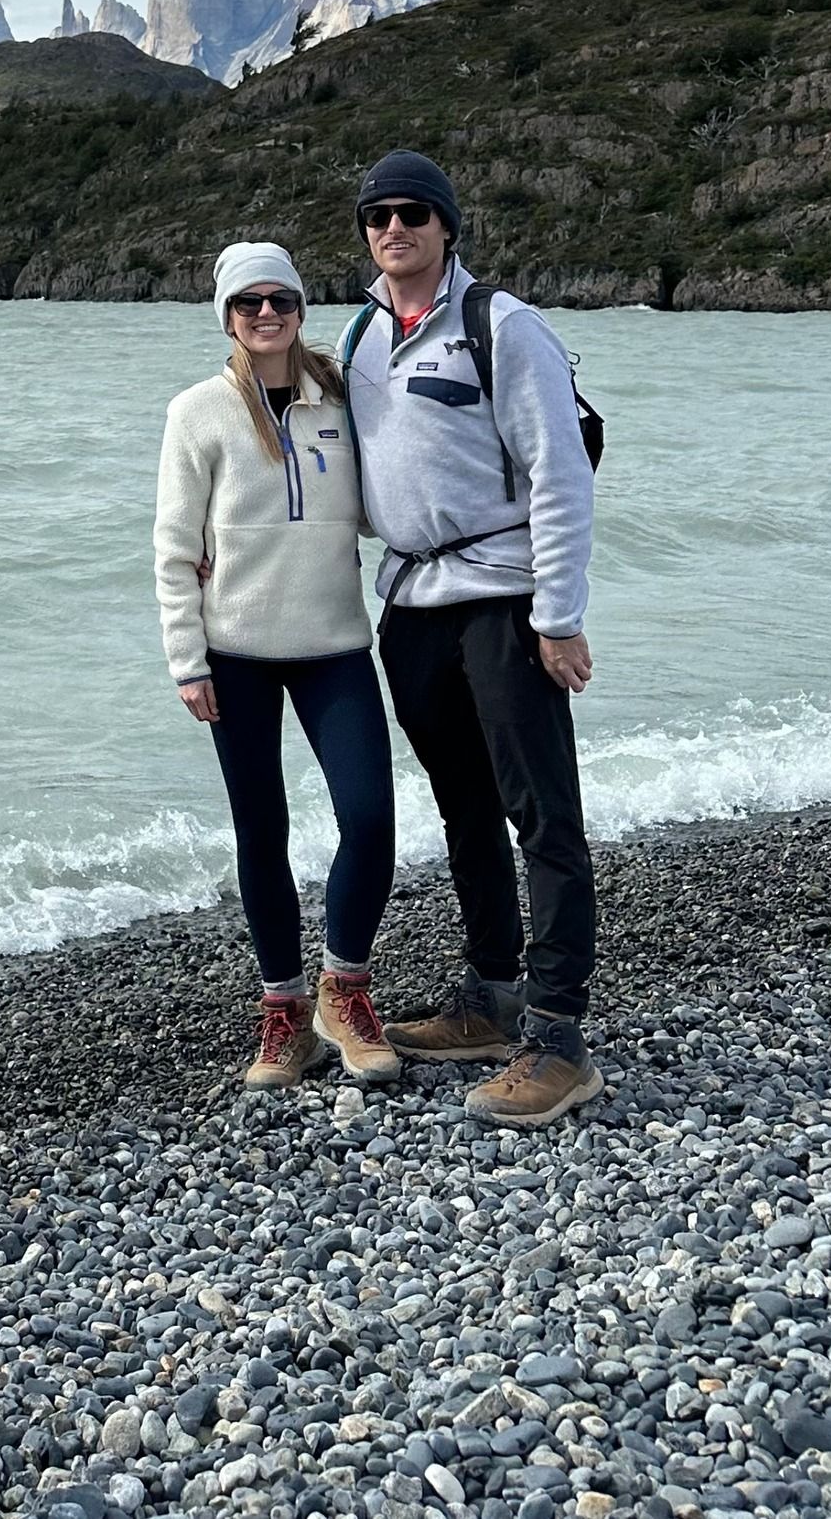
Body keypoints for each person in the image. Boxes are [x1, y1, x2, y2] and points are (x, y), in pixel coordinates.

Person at [340, 149, 602, 1127]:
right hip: (408, 606)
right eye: (376, 215)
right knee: (461, 806)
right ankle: (488, 999)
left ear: (447, 225)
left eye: (412, 212)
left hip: (499, 595)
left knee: (541, 813)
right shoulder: (364, 332)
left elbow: (559, 474)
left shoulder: (502, 326)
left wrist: (557, 614)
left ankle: (557, 1037)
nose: (392, 228)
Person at [155, 239, 398, 1090]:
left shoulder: (343, 397)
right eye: (247, 302)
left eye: (280, 299)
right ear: (227, 314)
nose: (266, 313)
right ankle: (283, 1013)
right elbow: (175, 548)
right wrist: (189, 659)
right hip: (238, 656)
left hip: (335, 646)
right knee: (263, 832)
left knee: (371, 818)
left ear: (300, 306)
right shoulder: (197, 411)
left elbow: (390, 495)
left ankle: (345, 987)